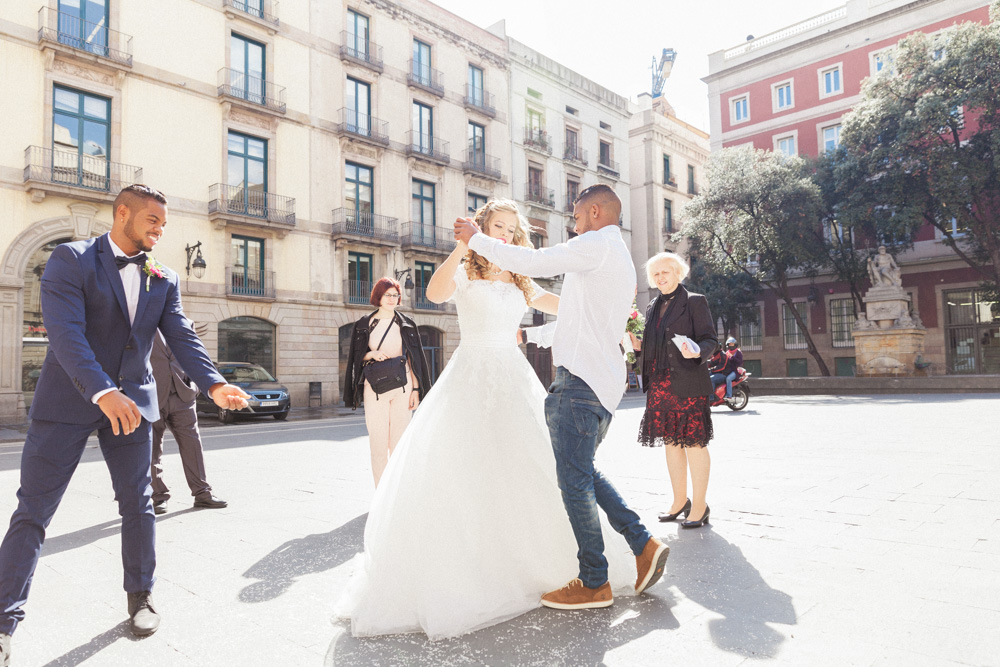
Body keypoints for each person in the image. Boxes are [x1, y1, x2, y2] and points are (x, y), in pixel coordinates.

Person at [336, 199, 636, 640]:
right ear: (482, 226)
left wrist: (613, 311)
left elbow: (561, 302)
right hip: (471, 372)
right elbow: (436, 293)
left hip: (513, 374)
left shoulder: (518, 273)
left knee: (535, 465)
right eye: (498, 227)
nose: (506, 236)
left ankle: (563, 565)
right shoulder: (466, 268)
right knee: (465, 468)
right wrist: (462, 247)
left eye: (513, 231)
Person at [0, 185, 250, 660]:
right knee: (33, 512)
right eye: (153, 221)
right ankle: (3, 622)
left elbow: (181, 336)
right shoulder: (69, 259)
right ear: (122, 214)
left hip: (134, 405)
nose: (160, 230)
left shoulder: (164, 277)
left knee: (139, 505)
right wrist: (102, 390)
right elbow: (65, 334)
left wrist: (215, 385)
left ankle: (141, 599)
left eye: (164, 224)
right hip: (67, 404)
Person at [457, 186, 669, 612]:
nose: (573, 226)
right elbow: (575, 317)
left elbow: (536, 262)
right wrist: (528, 334)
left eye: (576, 216)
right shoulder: (617, 258)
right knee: (582, 471)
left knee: (573, 482)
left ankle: (594, 581)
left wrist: (475, 238)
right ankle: (642, 544)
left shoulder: (595, 244)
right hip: (603, 383)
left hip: (578, 385)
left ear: (595, 211)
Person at [630, 252, 719, 529]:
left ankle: (700, 505)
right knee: (671, 443)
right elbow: (653, 347)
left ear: (678, 273)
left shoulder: (695, 302)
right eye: (655, 274)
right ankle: (680, 501)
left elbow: (710, 340)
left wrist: (697, 352)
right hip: (660, 385)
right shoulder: (652, 306)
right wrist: (636, 344)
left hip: (688, 382)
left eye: (665, 272)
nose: (660, 278)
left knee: (694, 443)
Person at [343, 277, 431, 487]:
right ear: (378, 297)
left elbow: (415, 358)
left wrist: (417, 388)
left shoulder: (407, 323)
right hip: (375, 389)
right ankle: (381, 493)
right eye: (387, 295)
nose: (392, 299)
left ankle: (397, 492)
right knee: (378, 442)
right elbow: (356, 357)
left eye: (395, 295)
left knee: (399, 442)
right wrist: (371, 354)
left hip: (404, 386)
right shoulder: (365, 324)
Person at [149, 331, 228, 515]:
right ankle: (157, 496)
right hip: (151, 396)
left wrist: (195, 387)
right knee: (152, 449)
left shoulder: (184, 324)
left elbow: (196, 357)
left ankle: (202, 493)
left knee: (192, 445)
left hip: (183, 397)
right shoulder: (140, 322)